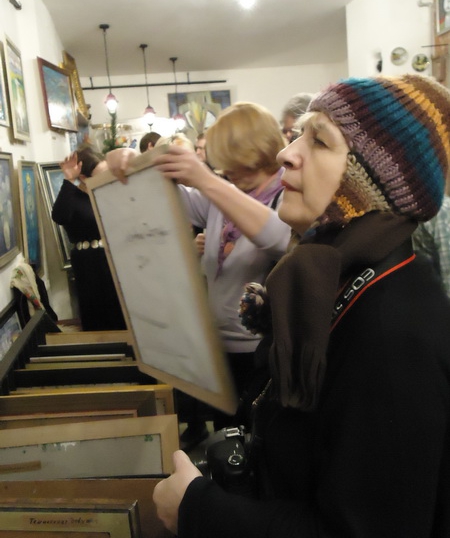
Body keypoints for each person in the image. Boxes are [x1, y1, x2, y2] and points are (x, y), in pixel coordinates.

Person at [153, 74, 450, 538]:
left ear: (371, 185)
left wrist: (198, 510)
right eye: (298, 135)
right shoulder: (334, 280)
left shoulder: (393, 336)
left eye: (320, 141)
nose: (286, 154)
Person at [107, 102, 291, 440]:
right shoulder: (226, 192)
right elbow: (167, 198)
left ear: (254, 149)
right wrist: (133, 163)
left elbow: (279, 238)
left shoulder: (287, 195)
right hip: (219, 350)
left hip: (263, 357)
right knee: (227, 444)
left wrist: (206, 180)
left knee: (261, 444)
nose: (224, 169)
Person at [52, 146, 126, 331]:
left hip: (116, 259)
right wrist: (69, 180)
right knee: (98, 315)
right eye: (102, 174)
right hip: (89, 264)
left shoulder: (110, 194)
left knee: (122, 314)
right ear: (84, 178)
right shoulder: (74, 197)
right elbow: (59, 216)